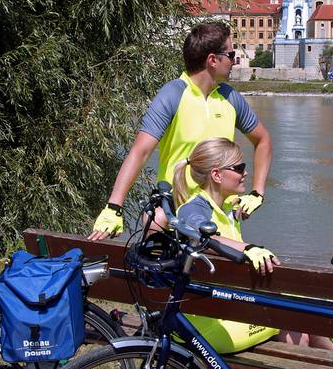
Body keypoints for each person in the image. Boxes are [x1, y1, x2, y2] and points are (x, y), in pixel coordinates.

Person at [174, 138, 333, 369]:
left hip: (215, 313)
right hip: (209, 327)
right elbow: (200, 230)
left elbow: (218, 221)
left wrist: (239, 206)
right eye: (239, 167)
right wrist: (246, 247)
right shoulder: (193, 210)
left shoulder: (218, 206)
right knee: (293, 323)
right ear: (217, 174)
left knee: (293, 311)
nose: (246, 173)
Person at [90, 21, 271, 240]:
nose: (234, 61)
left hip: (219, 217)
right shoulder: (174, 94)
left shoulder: (230, 97)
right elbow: (141, 151)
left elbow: (262, 141)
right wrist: (114, 206)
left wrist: (257, 192)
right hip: (174, 214)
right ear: (213, 60)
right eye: (231, 54)